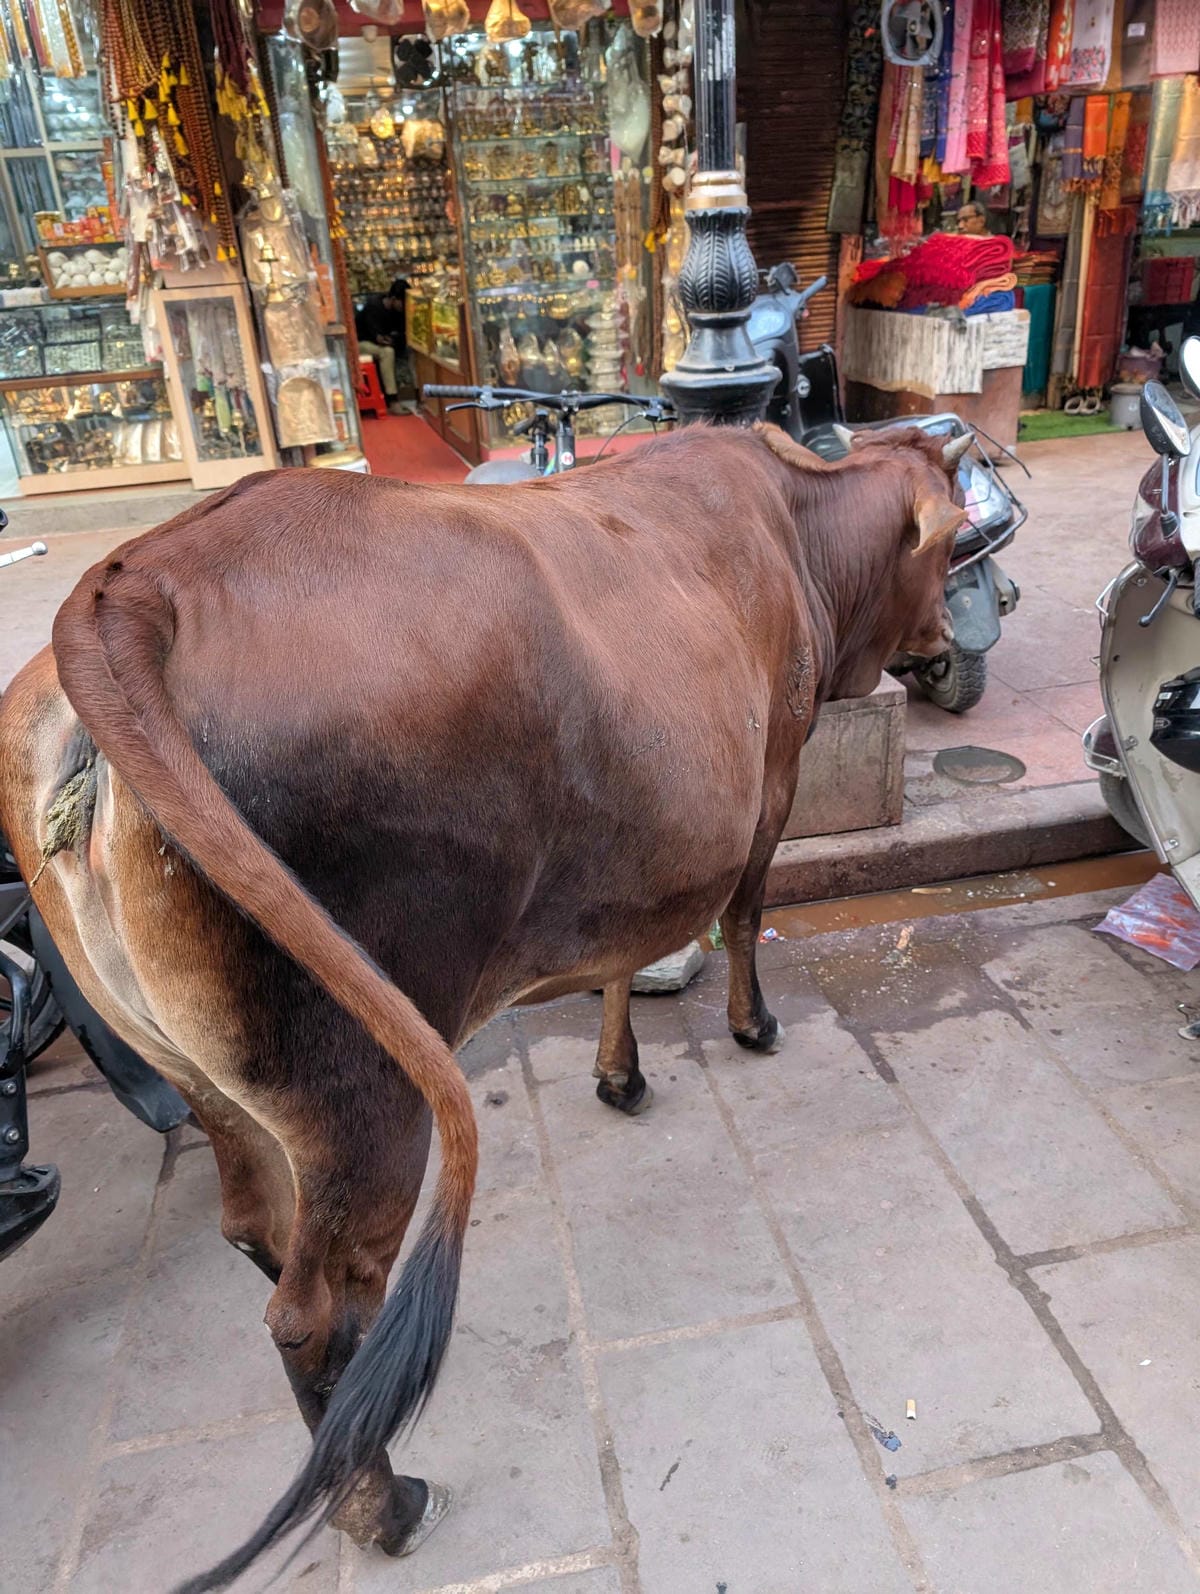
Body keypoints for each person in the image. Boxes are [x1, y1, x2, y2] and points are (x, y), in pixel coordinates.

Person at [355, 278, 409, 415]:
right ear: (393, 299)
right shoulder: (374, 307)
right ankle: (392, 399)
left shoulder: (398, 312)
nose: (404, 306)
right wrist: (389, 339)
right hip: (361, 343)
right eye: (402, 302)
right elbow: (377, 337)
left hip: (377, 342)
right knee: (387, 352)